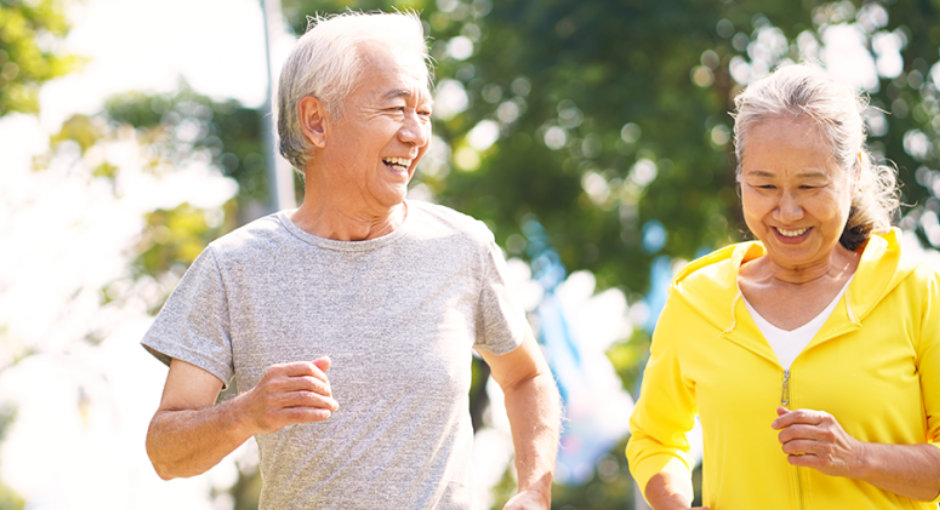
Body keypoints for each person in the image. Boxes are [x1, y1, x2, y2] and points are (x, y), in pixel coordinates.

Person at [142, 11, 560, 510]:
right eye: (395, 109)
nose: (416, 135)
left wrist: (535, 489)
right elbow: (166, 453)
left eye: (423, 114)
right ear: (316, 121)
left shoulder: (462, 246)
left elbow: (526, 376)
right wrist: (246, 412)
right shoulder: (233, 267)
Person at [626, 63, 940, 510]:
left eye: (810, 185)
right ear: (740, 178)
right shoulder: (696, 301)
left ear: (853, 173)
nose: (787, 211)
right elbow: (655, 437)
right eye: (764, 185)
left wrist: (858, 456)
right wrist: (673, 502)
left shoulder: (917, 291)